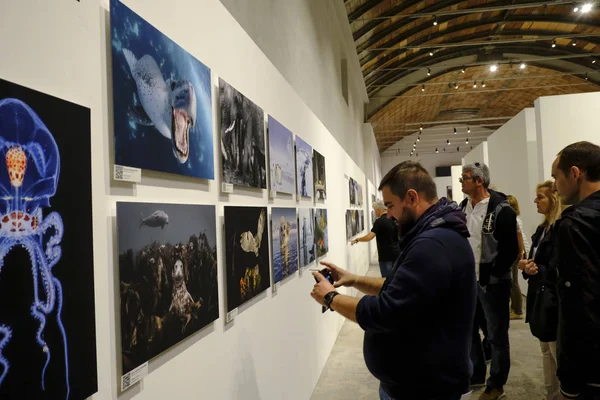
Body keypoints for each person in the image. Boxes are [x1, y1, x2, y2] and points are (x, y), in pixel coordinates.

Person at [310, 161, 476, 400]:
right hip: (418, 384)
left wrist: (330, 297)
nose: (388, 214)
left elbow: (385, 312)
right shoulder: (435, 236)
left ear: (411, 197)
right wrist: (353, 279)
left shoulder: (432, 245)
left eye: (390, 205)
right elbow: (400, 288)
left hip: (425, 389)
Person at [460, 162, 518, 400]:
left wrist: (493, 274)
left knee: (496, 334)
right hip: (467, 281)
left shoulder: (501, 209)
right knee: (469, 330)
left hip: (493, 283)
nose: (461, 182)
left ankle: (496, 384)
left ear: (478, 181)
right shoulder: (462, 207)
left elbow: (510, 249)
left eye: (464, 178)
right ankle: (476, 374)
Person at [550, 141, 600, 400]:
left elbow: (578, 304)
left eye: (556, 177)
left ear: (575, 173)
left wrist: (569, 382)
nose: (554, 186)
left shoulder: (575, 225)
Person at [517, 181, 563, 400]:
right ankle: (550, 394)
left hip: (553, 300)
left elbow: (559, 267)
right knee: (546, 351)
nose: (535, 201)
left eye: (540, 197)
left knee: (556, 351)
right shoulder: (541, 229)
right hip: (539, 297)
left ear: (553, 200)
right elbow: (535, 260)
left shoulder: (560, 229)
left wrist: (537, 269)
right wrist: (527, 266)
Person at [351, 201, 400, 278]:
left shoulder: (379, 221)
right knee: (395, 278)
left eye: (374, 210)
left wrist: (358, 239)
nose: (374, 213)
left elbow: (370, 236)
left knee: (386, 280)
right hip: (397, 253)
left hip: (385, 256)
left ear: (378, 209)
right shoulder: (393, 219)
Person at [506, 195, 530, 320]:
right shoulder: (515, 218)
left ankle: (517, 310)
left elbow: (519, 236)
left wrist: (520, 252)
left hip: (515, 252)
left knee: (513, 281)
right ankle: (515, 308)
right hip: (517, 252)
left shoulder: (513, 218)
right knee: (512, 281)